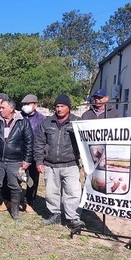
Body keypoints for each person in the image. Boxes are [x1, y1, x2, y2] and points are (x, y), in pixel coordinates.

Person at [34, 94, 85, 229]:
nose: (59, 109)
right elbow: (39, 143)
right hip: (50, 165)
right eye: (57, 106)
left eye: (62, 106)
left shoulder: (77, 123)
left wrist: (86, 163)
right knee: (51, 192)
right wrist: (39, 161)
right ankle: (54, 214)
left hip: (71, 164)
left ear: (69, 107)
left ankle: (73, 218)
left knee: (73, 192)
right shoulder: (46, 123)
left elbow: (85, 145)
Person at [0, 98, 33, 221]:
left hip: (15, 160)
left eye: (3, 108)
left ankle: (15, 213)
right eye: (0, 108)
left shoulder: (23, 122)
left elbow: (29, 142)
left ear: (11, 109)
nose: (0, 110)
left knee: (15, 186)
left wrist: (27, 160)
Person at [20, 94, 46, 213]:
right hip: (19, 152)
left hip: (34, 154)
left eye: (28, 104)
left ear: (35, 105)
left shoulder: (42, 120)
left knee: (32, 179)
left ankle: (29, 201)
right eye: (24, 104)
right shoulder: (19, 116)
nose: (25, 106)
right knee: (15, 176)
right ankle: (11, 199)